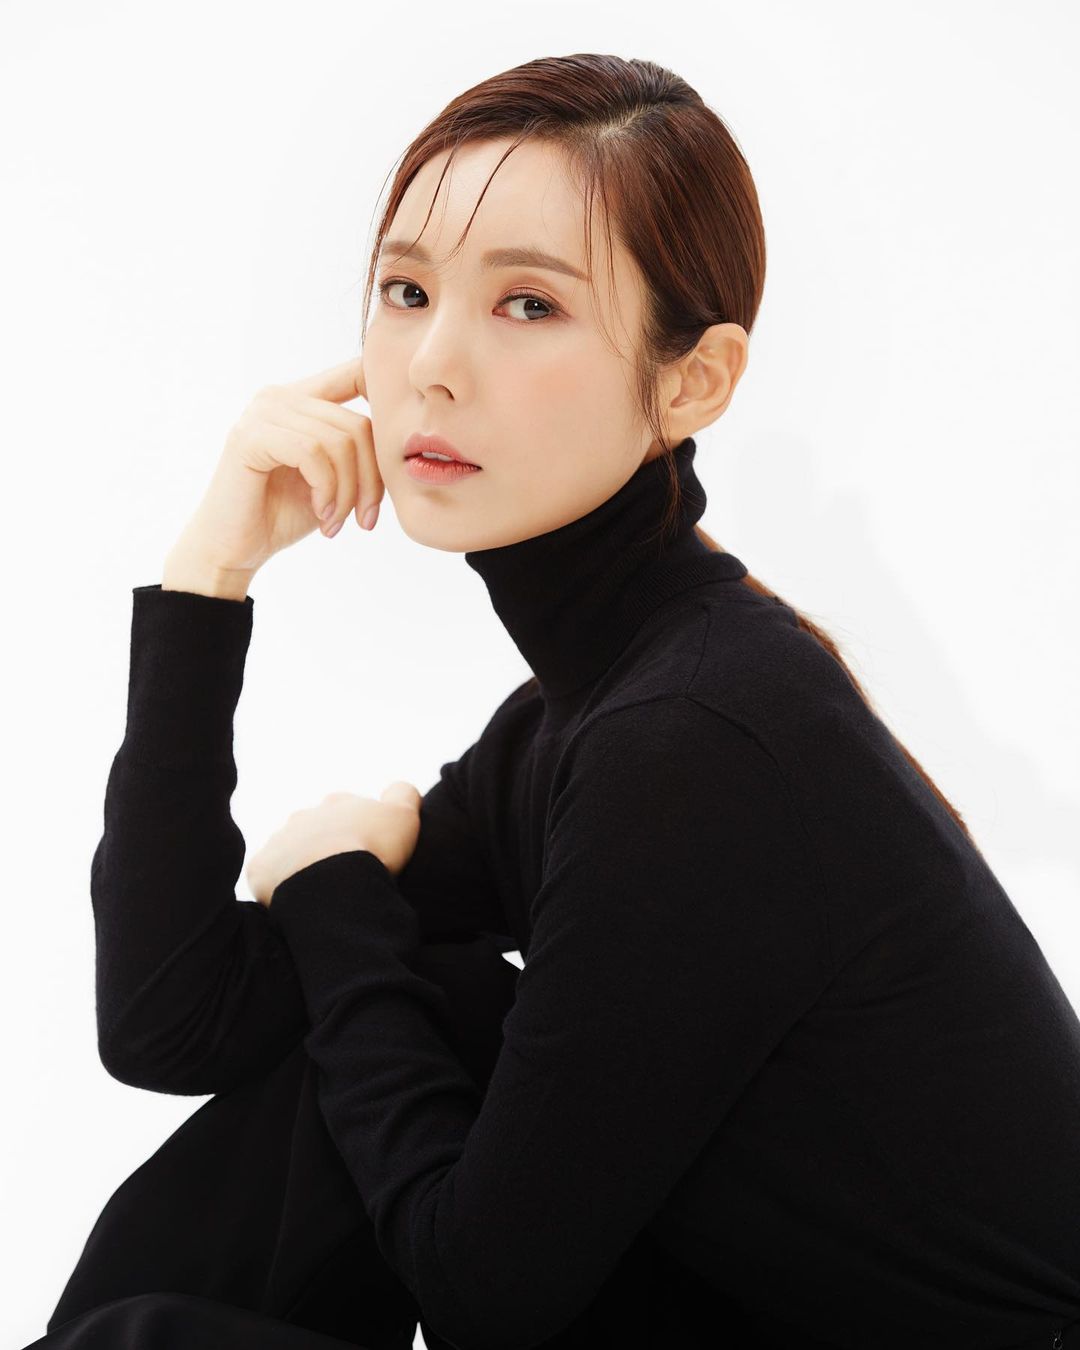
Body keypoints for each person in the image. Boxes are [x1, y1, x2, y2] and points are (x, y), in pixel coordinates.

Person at [24, 52, 1080, 1350]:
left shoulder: (697, 740)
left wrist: (340, 893)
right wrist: (210, 573)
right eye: (407, 291)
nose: (432, 365)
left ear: (692, 381)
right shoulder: (593, 714)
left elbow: (485, 1300)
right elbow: (173, 1020)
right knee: (431, 1012)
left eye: (528, 304)